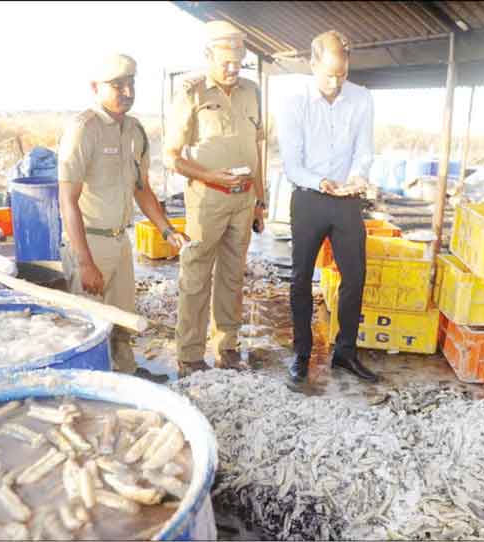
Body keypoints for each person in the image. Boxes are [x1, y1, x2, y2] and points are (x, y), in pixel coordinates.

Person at [58, 53, 188, 378]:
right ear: (95, 87)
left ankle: (127, 375)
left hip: (120, 240)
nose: (127, 91)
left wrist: (166, 230)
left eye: (131, 83)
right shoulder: (83, 129)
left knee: (122, 318)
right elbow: (67, 200)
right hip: (90, 241)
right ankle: (93, 384)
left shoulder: (133, 131)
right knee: (88, 324)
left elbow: (141, 189)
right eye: (118, 85)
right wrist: (85, 262)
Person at [164, 20, 266, 375]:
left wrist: (261, 201)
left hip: (244, 200)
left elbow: (256, 149)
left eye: (239, 60)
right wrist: (209, 176)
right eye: (226, 60)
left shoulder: (252, 90)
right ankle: (190, 355)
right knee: (195, 277)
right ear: (208, 55)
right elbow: (171, 156)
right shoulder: (191, 93)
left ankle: (228, 347)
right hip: (207, 200)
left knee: (233, 276)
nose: (234, 67)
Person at [276, 30, 378, 383]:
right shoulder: (294, 101)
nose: (336, 83)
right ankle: (302, 354)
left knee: (356, 276)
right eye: (329, 74)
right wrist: (321, 182)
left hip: (346, 199)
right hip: (309, 197)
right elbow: (292, 162)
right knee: (301, 277)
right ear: (313, 63)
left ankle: (345, 352)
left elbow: (364, 149)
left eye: (343, 74)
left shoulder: (362, 99)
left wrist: (357, 176)